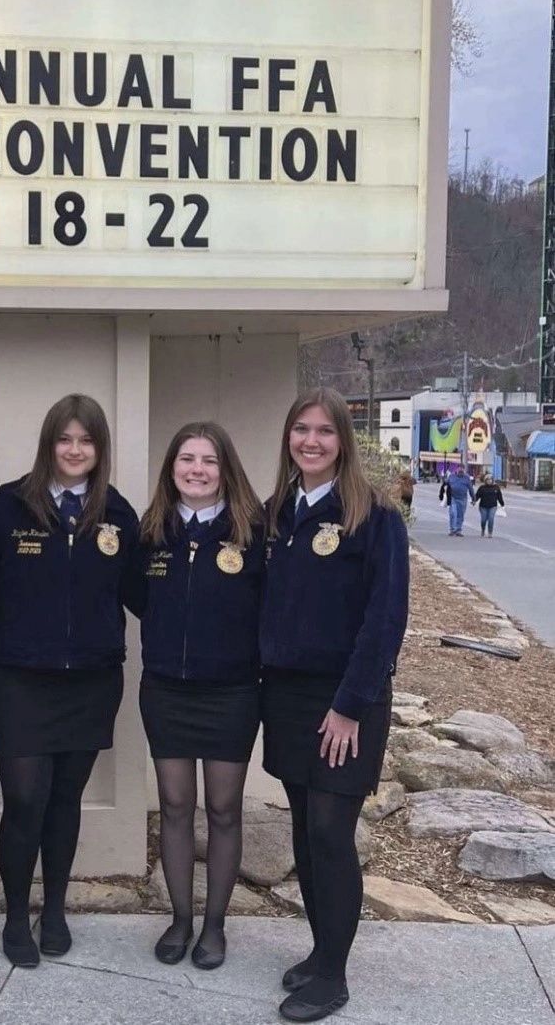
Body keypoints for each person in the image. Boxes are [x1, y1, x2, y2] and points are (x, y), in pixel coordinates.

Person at [260, 388, 408, 1023]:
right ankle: (321, 952)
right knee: (303, 831)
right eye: (301, 429)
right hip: (288, 699)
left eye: (324, 431)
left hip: (347, 701)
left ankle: (334, 976)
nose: (311, 441)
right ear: (289, 438)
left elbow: (384, 623)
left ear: (343, 440)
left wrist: (350, 706)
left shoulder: (374, 518)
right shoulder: (275, 513)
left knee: (329, 831)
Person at [0, 394, 139, 968]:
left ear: (100, 450)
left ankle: (54, 912)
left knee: (65, 800)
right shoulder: (5, 508)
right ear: (49, 444)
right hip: (17, 681)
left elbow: (145, 595)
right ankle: (16, 916)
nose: (75, 451)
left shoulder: (117, 514)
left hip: (91, 683)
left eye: (87, 441)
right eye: (65, 439)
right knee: (25, 800)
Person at [127, 423, 265, 970]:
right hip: (165, 690)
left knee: (224, 808)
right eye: (187, 459)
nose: (197, 470)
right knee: (176, 806)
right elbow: (138, 597)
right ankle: (181, 919)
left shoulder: (253, 532)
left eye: (209, 460)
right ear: (172, 467)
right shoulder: (152, 531)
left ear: (225, 469)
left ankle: (214, 926)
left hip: (232, 693)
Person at [443, 466, 475, 536]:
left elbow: (470, 488)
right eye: (459, 470)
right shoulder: (451, 476)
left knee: (460, 515)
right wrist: (444, 481)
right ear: (456, 470)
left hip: (463, 498)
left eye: (462, 471)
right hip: (453, 497)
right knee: (453, 513)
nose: (461, 472)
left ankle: (458, 530)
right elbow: (446, 483)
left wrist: (473, 498)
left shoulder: (467, 478)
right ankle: (452, 529)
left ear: (464, 470)